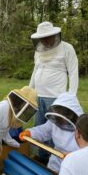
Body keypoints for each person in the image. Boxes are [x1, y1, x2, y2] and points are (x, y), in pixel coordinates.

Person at [29, 21, 79, 162]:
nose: (45, 41)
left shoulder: (67, 48)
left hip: (56, 97)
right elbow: (36, 70)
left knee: (55, 129)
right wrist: (29, 90)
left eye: (48, 37)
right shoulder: (38, 51)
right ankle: (41, 157)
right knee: (39, 127)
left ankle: (54, 159)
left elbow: (73, 72)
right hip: (38, 95)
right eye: (42, 38)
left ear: (54, 35)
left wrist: (71, 97)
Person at [19, 92, 83, 172]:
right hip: (56, 159)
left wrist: (74, 157)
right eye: (58, 117)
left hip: (74, 164)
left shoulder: (84, 127)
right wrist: (30, 133)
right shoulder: (56, 121)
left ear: (71, 115)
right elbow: (43, 130)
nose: (60, 121)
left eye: (62, 118)